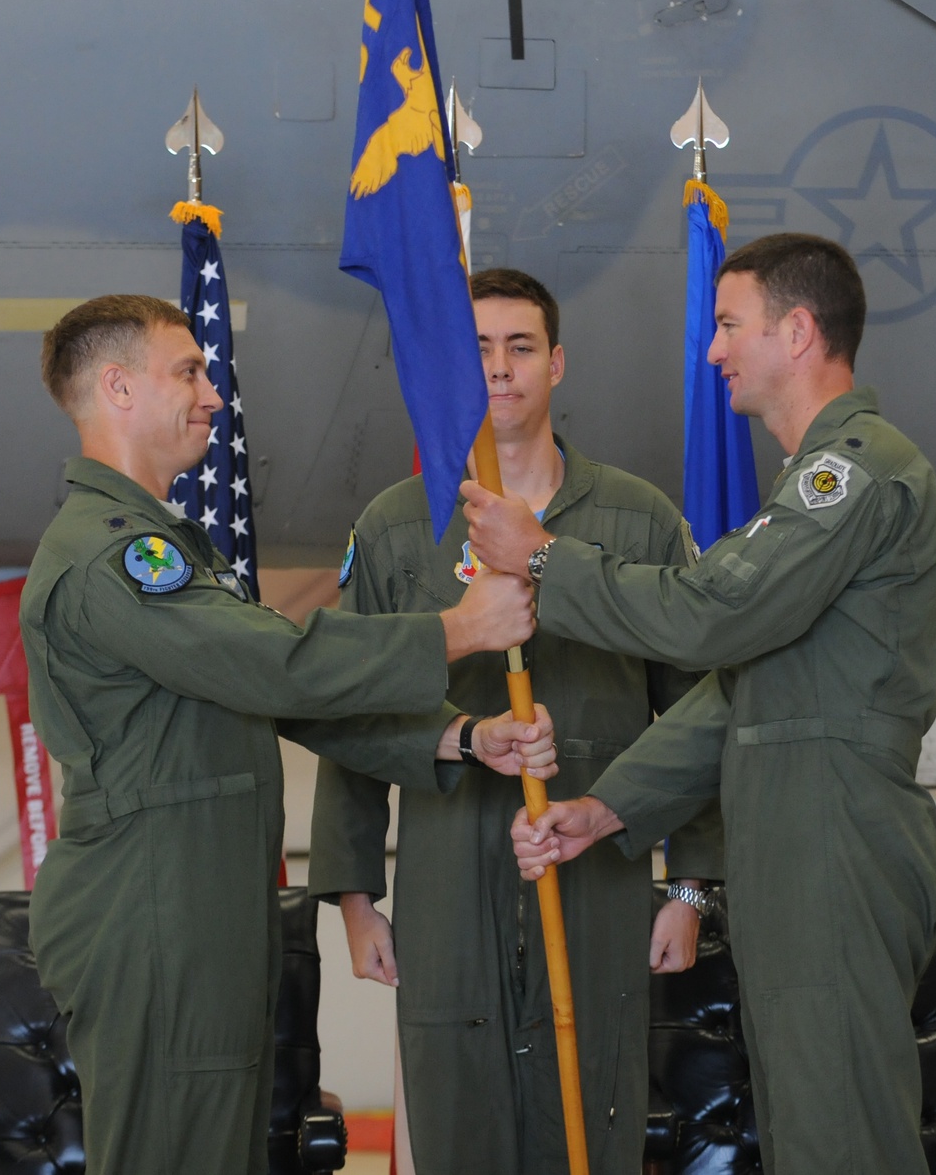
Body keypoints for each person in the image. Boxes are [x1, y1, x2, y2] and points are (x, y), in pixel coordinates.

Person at [19, 294, 558, 1175]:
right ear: (117, 387)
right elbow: (279, 664)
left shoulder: (165, 545)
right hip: (157, 911)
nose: (212, 393)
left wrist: (459, 738)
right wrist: (456, 629)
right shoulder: (112, 555)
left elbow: (281, 701)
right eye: (187, 371)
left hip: (192, 904)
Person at [463, 235, 936, 1175]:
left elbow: (709, 616)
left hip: (832, 840)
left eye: (730, 325)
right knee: (812, 1132)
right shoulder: (810, 486)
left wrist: (543, 557)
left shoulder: (849, 473)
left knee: (843, 1140)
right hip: (798, 840)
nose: (714, 349)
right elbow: (740, 694)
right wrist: (608, 807)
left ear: (799, 331)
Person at [309, 268, 723, 1175]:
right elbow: (350, 717)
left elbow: (696, 711)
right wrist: (352, 897)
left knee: (593, 1108)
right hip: (448, 867)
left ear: (558, 362)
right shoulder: (394, 527)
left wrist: (689, 889)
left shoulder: (639, 519)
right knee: (460, 1114)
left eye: (521, 346)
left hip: (601, 865)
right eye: (479, 349)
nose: (499, 368)